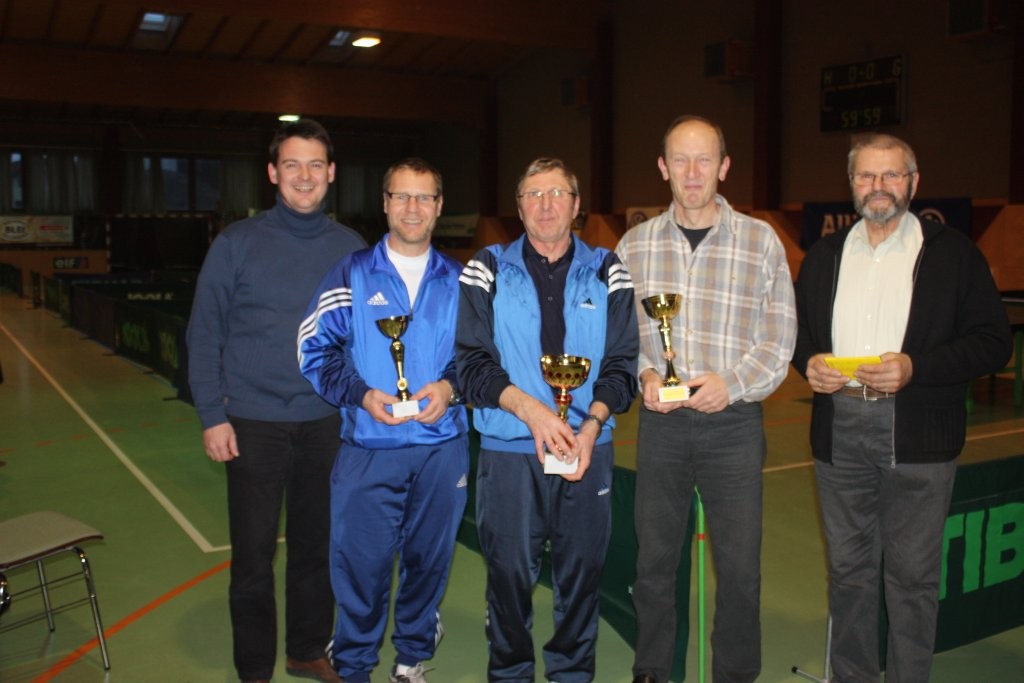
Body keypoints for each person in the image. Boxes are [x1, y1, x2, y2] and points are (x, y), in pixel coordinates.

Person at [792, 133, 1011, 682]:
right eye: (866, 175)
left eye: (891, 174)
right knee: (849, 573)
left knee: (912, 579)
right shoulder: (825, 255)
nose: (879, 186)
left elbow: (993, 342)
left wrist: (916, 368)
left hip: (919, 433)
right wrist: (809, 362)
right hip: (839, 427)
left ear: (914, 182)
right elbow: (797, 333)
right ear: (851, 184)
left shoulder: (953, 253)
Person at [616, 115, 796, 683]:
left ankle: (735, 675)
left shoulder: (761, 242)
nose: (692, 172)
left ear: (724, 167)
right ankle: (652, 670)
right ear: (663, 168)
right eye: (680, 160)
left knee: (740, 571)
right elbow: (619, 338)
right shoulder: (634, 246)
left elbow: (779, 340)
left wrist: (731, 385)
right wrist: (647, 374)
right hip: (663, 427)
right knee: (653, 563)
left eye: (704, 160)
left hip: (733, 426)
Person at [186, 118, 365, 683]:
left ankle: (307, 649)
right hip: (253, 424)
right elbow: (204, 334)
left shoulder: (352, 249)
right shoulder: (235, 244)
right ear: (272, 173)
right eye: (292, 165)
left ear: (331, 173)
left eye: (315, 165)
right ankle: (255, 668)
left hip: (327, 425)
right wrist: (212, 416)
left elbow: (366, 339)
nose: (304, 176)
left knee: (318, 547)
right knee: (253, 557)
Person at [456, 157, 638, 682]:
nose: (545, 204)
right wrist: (532, 411)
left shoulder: (608, 269)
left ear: (577, 206)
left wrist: (590, 426)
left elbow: (622, 365)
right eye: (533, 194)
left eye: (557, 193)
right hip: (510, 452)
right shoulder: (486, 267)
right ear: (518, 208)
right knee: (509, 579)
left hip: (586, 449)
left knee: (581, 579)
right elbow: (471, 364)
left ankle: (572, 674)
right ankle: (510, 673)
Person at [298, 158, 469, 683]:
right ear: (385, 204)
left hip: (443, 449)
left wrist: (450, 388)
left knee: (429, 561)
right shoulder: (351, 273)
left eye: (424, 197)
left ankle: (412, 658)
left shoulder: (462, 280)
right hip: (369, 449)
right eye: (401, 196)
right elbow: (313, 348)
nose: (412, 208)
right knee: (360, 565)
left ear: (439, 207)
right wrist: (361, 394)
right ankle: (354, 665)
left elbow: (482, 356)